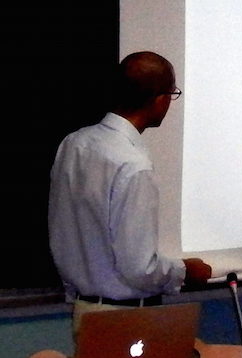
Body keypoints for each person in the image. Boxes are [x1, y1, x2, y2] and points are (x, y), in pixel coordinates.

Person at [48, 51, 212, 339]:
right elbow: (139, 268)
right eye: (172, 94)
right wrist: (185, 272)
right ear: (160, 100)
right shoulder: (133, 165)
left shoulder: (73, 144)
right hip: (125, 319)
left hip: (85, 311)